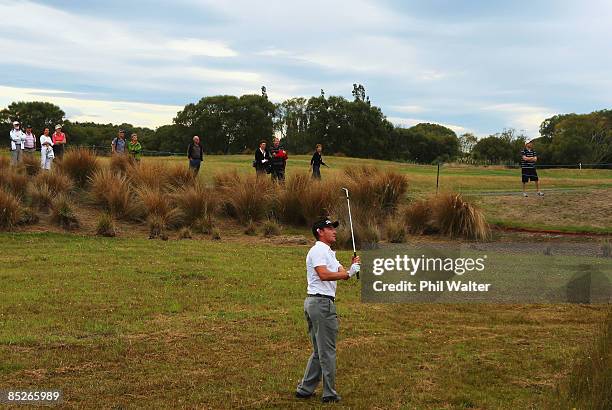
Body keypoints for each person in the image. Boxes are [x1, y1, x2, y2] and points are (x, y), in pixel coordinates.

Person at [295, 218, 360, 404]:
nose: (334, 231)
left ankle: (304, 390)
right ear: (319, 231)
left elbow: (342, 274)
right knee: (327, 351)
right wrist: (348, 273)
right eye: (330, 228)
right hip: (321, 303)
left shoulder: (329, 253)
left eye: (334, 228)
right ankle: (329, 393)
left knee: (319, 351)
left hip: (318, 303)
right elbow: (323, 275)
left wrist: (351, 269)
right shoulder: (317, 251)